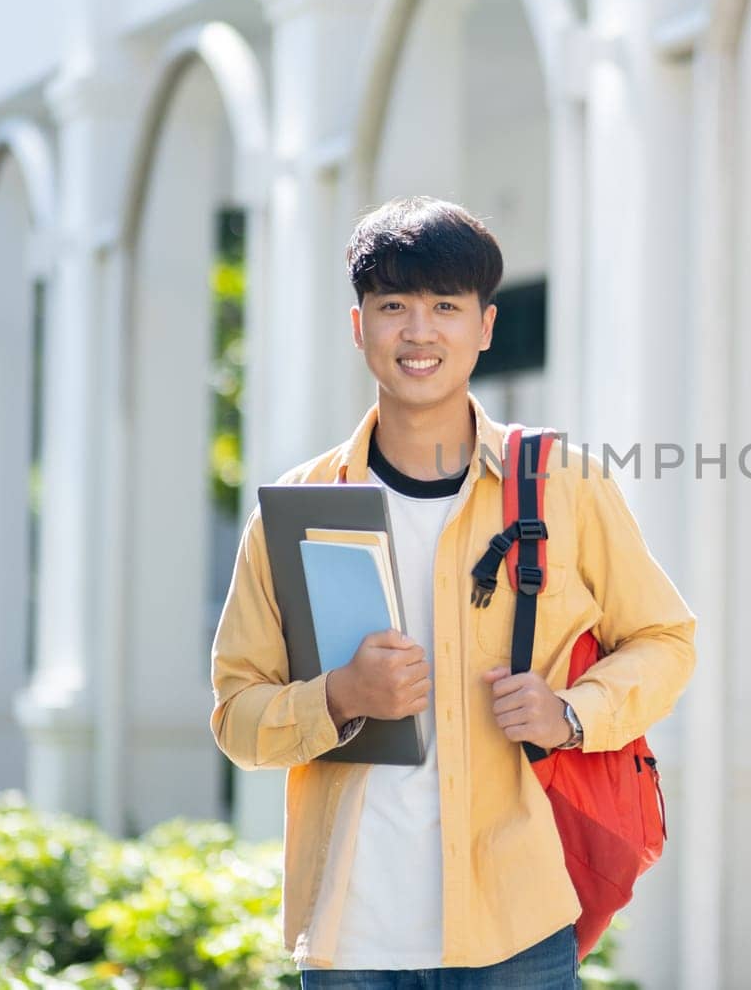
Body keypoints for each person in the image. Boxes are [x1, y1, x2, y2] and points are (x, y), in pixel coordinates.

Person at [208, 196, 696, 988]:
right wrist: (339, 694)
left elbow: (666, 639)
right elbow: (235, 715)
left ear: (486, 327)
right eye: (394, 305)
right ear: (358, 325)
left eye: (445, 306)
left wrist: (573, 712)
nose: (420, 331)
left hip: (518, 924)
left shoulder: (563, 486)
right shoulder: (298, 508)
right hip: (351, 937)